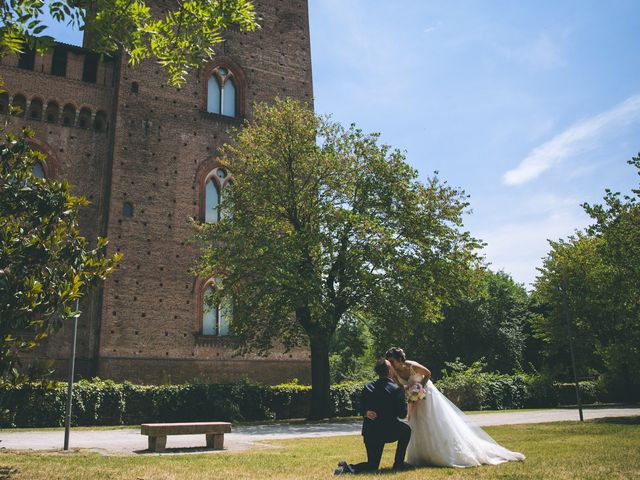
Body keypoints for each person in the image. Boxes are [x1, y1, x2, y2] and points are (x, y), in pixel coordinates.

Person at [385, 346, 526, 468]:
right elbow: (399, 386)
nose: (390, 364)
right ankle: (424, 456)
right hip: (414, 399)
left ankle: (444, 453)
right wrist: (410, 393)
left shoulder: (412, 365)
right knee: (418, 424)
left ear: (399, 359)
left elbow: (428, 373)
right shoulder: (394, 373)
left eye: (391, 361)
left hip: (428, 395)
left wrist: (420, 386)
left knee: (434, 422)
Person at [334, 358, 412, 475]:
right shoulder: (397, 390)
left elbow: (359, 407)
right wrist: (407, 401)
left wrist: (365, 412)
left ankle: (346, 468)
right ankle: (398, 463)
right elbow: (402, 414)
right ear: (390, 370)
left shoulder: (368, 387)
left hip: (371, 432)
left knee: (372, 465)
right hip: (389, 431)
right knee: (406, 430)